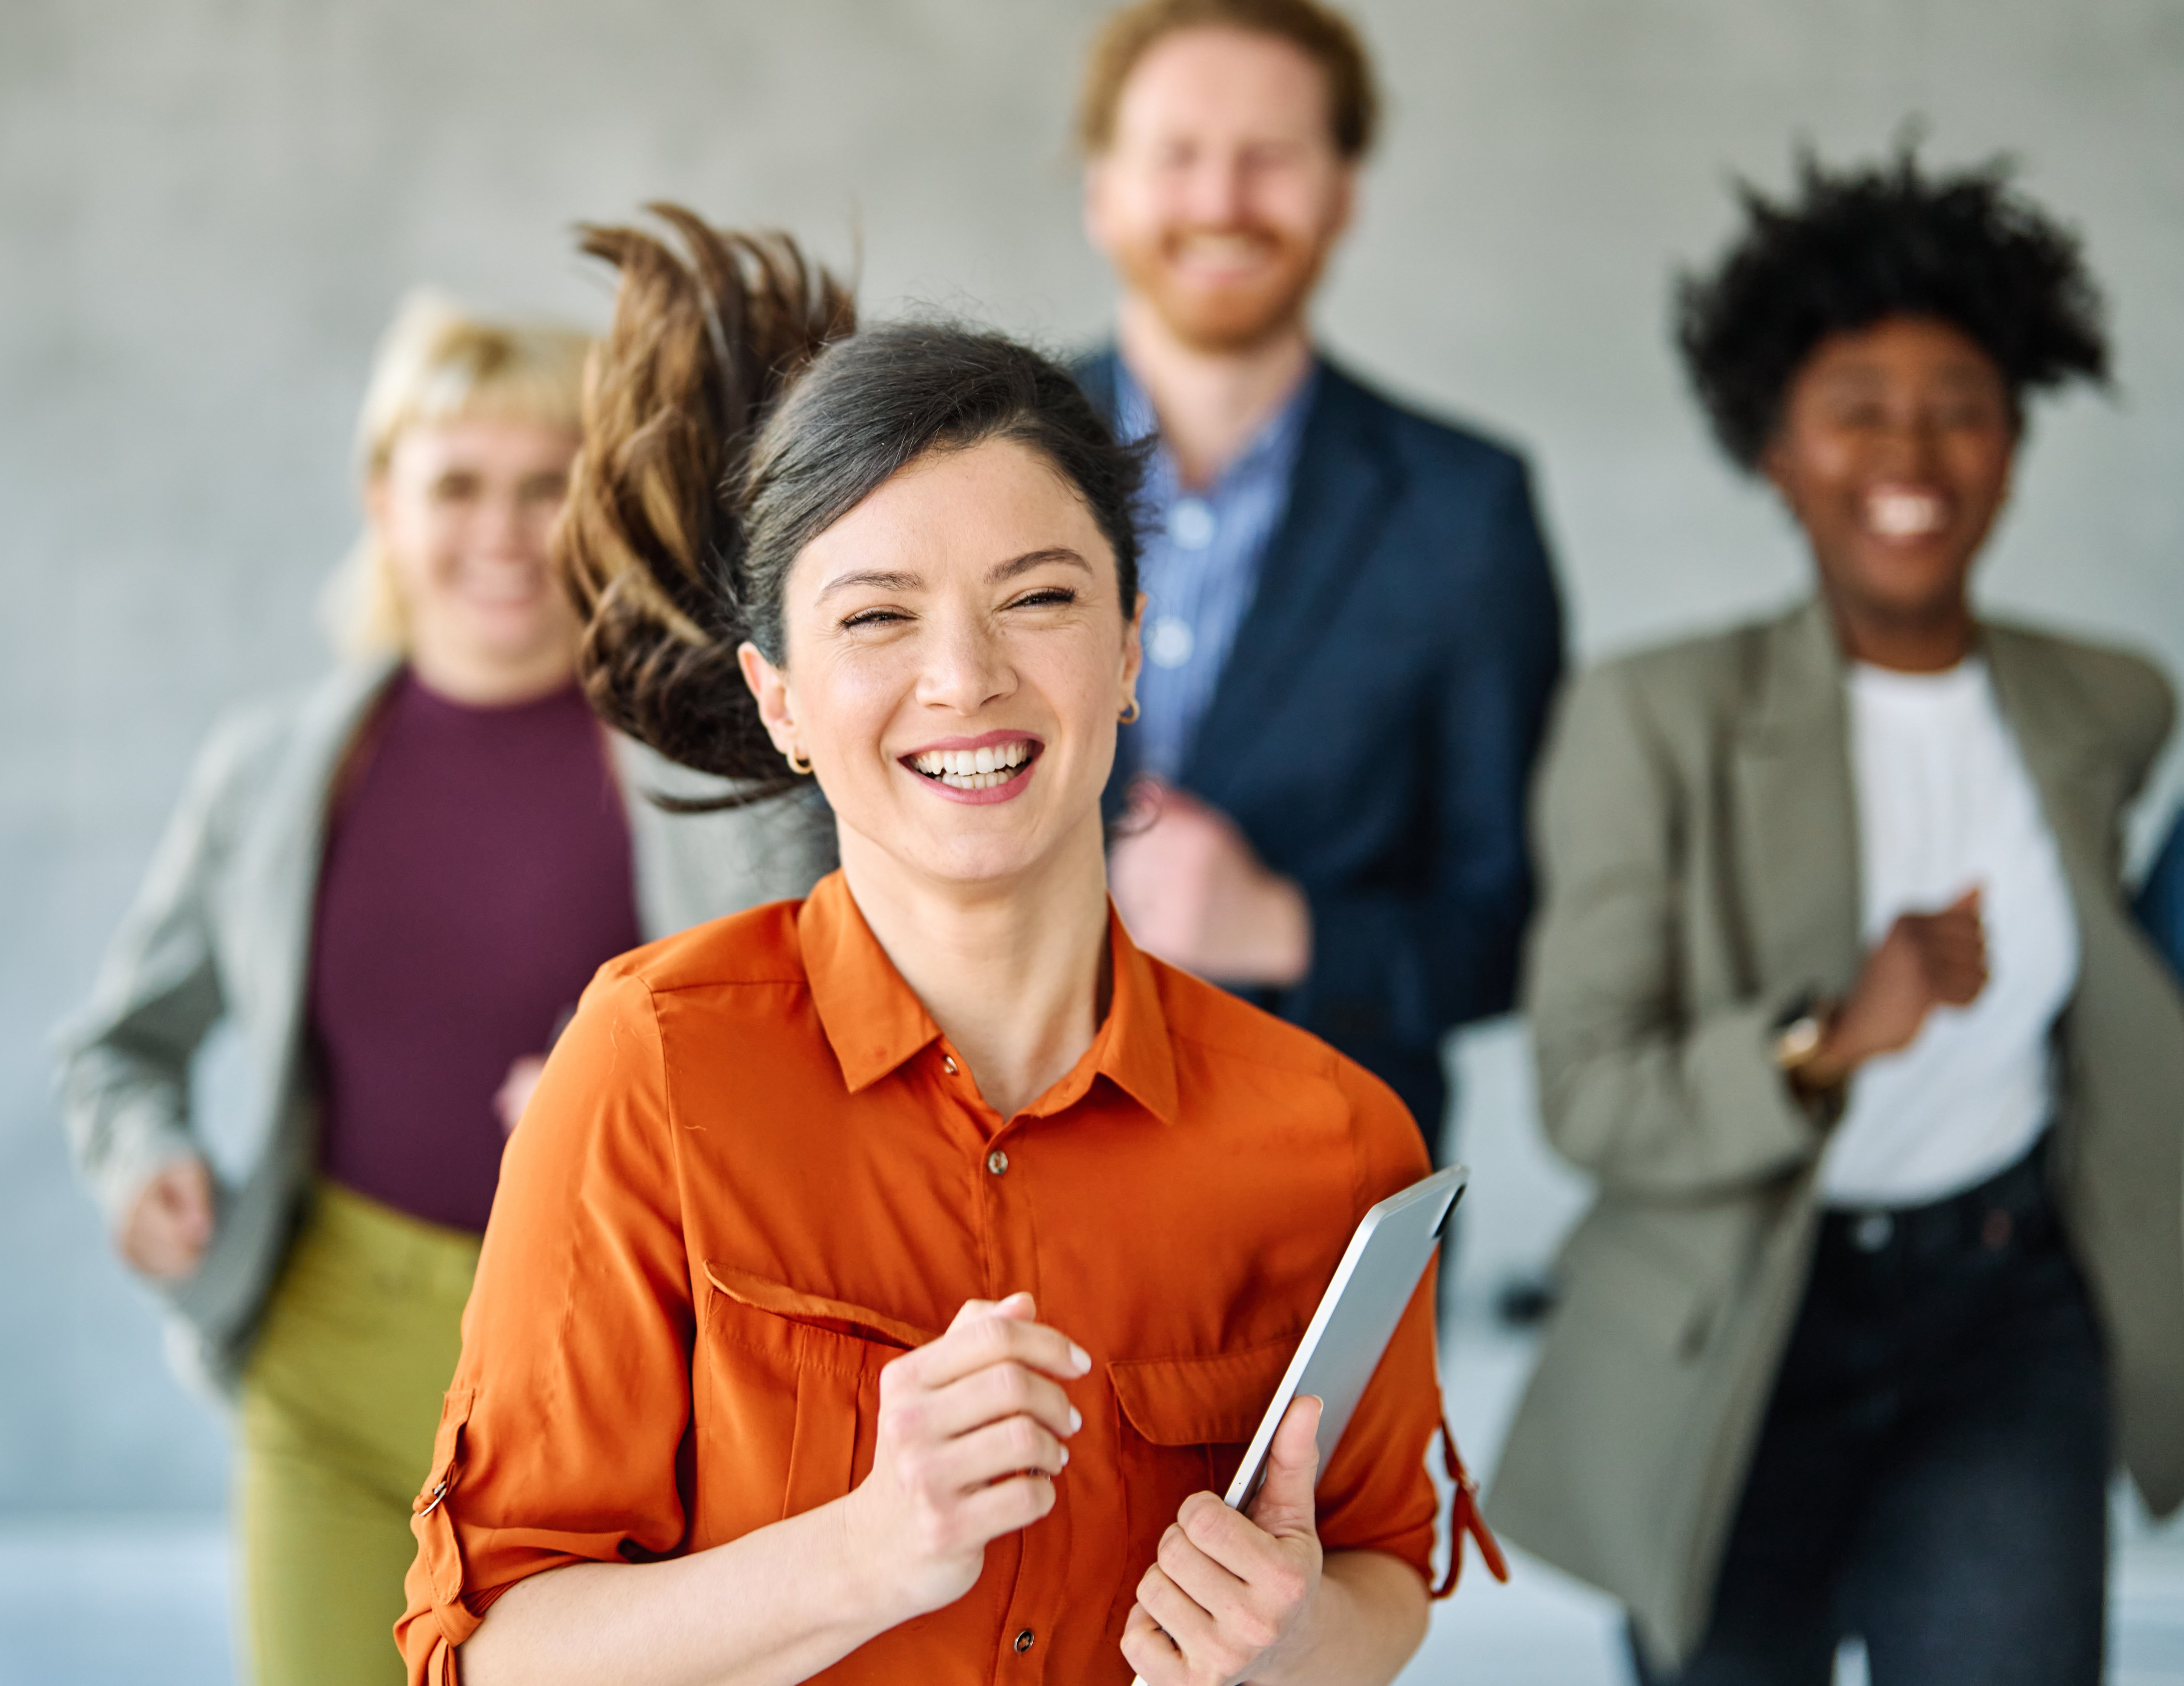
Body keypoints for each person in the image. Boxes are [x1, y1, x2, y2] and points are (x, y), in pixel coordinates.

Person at [395, 205, 1498, 1686]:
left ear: (1124, 654)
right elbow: (499, 1653)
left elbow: (1383, 1573)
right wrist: (863, 1553)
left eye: (1038, 599)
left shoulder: (1333, 1136)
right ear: (780, 699)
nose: (965, 679)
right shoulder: (652, 1069)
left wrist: (1295, 1636)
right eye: (877, 618)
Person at [1488, 148, 2184, 1685]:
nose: (1913, 447)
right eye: (1859, 406)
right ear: (1775, 446)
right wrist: (1831, 1039)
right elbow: (1588, 1089)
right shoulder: (1652, 718)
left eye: (1959, 404)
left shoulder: (2103, 704)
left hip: (2003, 1322)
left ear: (2015, 445)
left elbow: (2101, 991)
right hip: (1741, 1339)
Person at [56, 294, 834, 1686]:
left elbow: (833, 1044)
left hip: (614, 1373)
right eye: (458, 484)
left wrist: (629, 1109)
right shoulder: (277, 766)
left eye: (546, 487)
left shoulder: (709, 776)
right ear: (382, 500)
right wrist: (144, 1162)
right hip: (326, 1366)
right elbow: (123, 1047)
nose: (500, 530)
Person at [1071, 0, 1565, 1147]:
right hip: (989, 1171)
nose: (1221, 202)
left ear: (1343, 194)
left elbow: (1518, 923)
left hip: (1326, 1185)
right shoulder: (961, 472)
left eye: (1271, 158)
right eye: (1177, 156)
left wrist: (1286, 926)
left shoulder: (1465, 508)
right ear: (1103, 192)